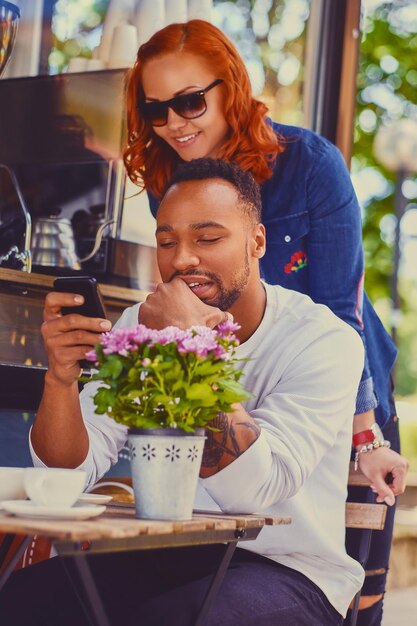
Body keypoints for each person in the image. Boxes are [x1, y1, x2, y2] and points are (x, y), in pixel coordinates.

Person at [122, 19, 408, 625]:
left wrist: (363, 436)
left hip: (334, 393)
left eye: (190, 101)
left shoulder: (309, 162)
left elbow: (339, 305)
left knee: (355, 594)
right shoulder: (170, 176)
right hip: (232, 393)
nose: (174, 123)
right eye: (156, 109)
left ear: (231, 88)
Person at [3, 159, 364, 625]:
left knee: (173, 618)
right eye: (167, 241)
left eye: (208, 238)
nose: (181, 259)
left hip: (292, 569)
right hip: (169, 550)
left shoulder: (323, 340)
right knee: (27, 597)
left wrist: (191, 345)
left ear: (257, 241)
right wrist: (61, 379)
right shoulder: (140, 323)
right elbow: (67, 469)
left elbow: (254, 493)